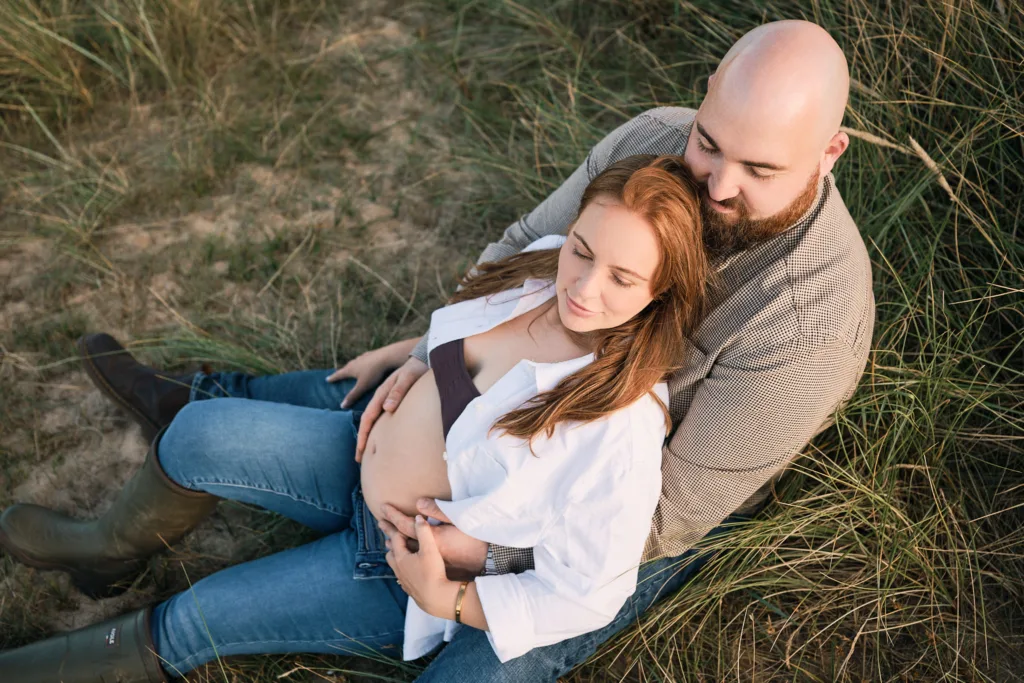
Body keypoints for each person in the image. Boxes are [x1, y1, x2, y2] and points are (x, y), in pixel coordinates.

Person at [0, 18, 876, 683]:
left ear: (830, 152)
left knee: (466, 664)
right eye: (710, 143)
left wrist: (457, 568)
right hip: (486, 408)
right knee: (347, 389)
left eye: (758, 172)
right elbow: (523, 246)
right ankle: (186, 428)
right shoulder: (654, 140)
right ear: (707, 91)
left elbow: (658, 520)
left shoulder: (806, 322)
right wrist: (433, 356)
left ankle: (215, 424)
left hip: (566, 515)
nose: (715, 184)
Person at [0, 154, 711, 681]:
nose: (583, 286)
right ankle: (104, 550)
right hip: (349, 456)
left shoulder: (620, 424)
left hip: (393, 564)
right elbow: (463, 335)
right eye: (584, 250)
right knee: (197, 432)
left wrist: (448, 596)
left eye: (622, 278)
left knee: (197, 617)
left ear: (661, 290)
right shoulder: (545, 264)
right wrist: (416, 361)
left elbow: (589, 592)